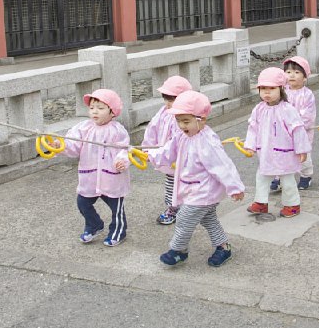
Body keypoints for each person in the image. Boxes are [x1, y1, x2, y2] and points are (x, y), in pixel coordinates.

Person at [146, 91, 245, 267]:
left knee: (184, 218)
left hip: (204, 192)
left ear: (202, 120)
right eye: (178, 121)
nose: (181, 125)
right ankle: (223, 247)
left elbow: (223, 165)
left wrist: (234, 187)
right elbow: (167, 152)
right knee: (208, 219)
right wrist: (150, 155)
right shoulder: (181, 136)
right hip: (192, 190)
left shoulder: (207, 141)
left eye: (186, 121)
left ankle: (179, 250)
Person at [57, 89, 130, 247]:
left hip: (111, 178)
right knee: (82, 202)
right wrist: (59, 145)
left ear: (112, 112)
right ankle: (94, 224)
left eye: (100, 108)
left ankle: (119, 230)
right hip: (89, 178)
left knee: (116, 208)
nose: (95, 111)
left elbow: (124, 150)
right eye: (92, 108)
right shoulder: (83, 128)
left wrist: (122, 161)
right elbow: (72, 145)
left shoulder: (117, 131)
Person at [244, 68, 311, 217]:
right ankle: (261, 203)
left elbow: (298, 130)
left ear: (281, 89)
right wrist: (250, 146)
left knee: (287, 180)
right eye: (263, 89)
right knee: (261, 177)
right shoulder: (258, 109)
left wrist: (302, 150)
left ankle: (292, 205)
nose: (267, 92)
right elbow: (252, 128)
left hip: (284, 152)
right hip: (266, 152)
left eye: (272, 88)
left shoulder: (288, 109)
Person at [141, 75, 192, 225]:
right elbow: (152, 130)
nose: (168, 103)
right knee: (171, 185)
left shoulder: (187, 116)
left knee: (187, 186)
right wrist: (147, 148)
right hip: (167, 158)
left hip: (183, 160)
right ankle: (172, 208)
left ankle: (187, 210)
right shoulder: (163, 112)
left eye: (172, 99)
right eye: (166, 99)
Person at [272, 57, 315, 192]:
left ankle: (306, 176)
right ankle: (278, 178)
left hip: (301, 132)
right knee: (280, 154)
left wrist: (296, 126)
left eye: (296, 72)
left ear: (304, 77)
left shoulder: (307, 95)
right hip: (281, 132)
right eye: (289, 72)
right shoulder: (281, 92)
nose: (291, 75)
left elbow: (308, 115)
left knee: (302, 155)